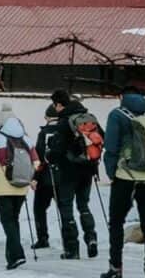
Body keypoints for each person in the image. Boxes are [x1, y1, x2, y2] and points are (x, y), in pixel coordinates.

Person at [101, 87, 145, 278]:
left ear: (122, 97)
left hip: (125, 176)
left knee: (117, 222)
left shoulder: (117, 115)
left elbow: (111, 147)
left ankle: (115, 268)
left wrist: (112, 173)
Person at [0, 103, 41, 270]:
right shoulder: (26, 138)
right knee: (14, 220)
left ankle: (18, 254)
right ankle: (12, 259)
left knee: (8, 221)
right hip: (22, 186)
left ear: (1, 122)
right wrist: (29, 177)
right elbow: (36, 163)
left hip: (3, 186)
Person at [48, 89, 101, 260]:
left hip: (68, 172)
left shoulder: (64, 121)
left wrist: (50, 155)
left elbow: (57, 149)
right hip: (88, 170)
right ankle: (91, 237)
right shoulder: (90, 117)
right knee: (84, 206)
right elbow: (101, 139)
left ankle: (72, 248)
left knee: (66, 207)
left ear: (59, 104)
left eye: (55, 105)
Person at [32, 104, 59, 249]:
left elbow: (39, 157)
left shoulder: (44, 133)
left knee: (39, 208)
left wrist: (35, 177)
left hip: (45, 178)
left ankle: (42, 238)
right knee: (65, 210)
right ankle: (71, 242)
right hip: (63, 177)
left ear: (49, 117)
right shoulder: (66, 130)